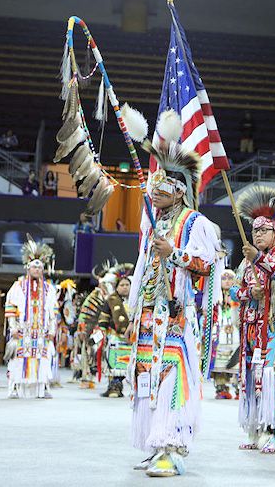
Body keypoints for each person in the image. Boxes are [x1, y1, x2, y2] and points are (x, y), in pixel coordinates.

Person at [126, 117, 223, 477]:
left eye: (163, 187)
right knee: (148, 376)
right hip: (150, 313)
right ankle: (155, 443)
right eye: (154, 188)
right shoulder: (152, 223)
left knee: (172, 376)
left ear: (180, 190)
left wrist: (175, 253)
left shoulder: (195, 223)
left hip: (178, 315)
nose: (155, 192)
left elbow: (206, 266)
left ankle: (172, 448)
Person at [235, 185, 275, 455]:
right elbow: (237, 290)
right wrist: (251, 292)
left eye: (264, 231)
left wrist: (259, 259)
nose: (258, 234)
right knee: (251, 377)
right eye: (255, 231)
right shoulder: (246, 261)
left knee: (272, 377)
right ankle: (255, 427)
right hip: (251, 326)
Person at [5, 237, 58, 399]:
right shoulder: (18, 286)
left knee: (43, 358)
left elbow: (53, 312)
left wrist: (52, 329)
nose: (37, 271)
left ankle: (43, 387)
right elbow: (10, 307)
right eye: (34, 268)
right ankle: (15, 387)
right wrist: (13, 327)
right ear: (28, 269)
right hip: (23, 330)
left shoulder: (49, 289)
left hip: (42, 331)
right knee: (18, 358)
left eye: (39, 268)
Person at [77, 262, 133, 398]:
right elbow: (103, 319)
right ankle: (115, 386)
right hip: (115, 337)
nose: (125, 288)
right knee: (114, 363)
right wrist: (98, 333)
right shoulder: (111, 300)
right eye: (122, 285)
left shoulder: (135, 300)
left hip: (133, 338)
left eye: (127, 285)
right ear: (116, 287)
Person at [212, 269, 241, 400]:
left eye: (230, 279)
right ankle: (221, 387)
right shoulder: (215, 296)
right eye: (224, 279)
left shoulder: (238, 295)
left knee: (237, 361)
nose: (227, 281)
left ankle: (239, 388)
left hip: (235, 332)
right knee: (220, 361)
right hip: (220, 331)